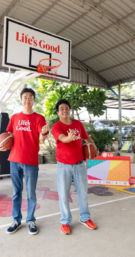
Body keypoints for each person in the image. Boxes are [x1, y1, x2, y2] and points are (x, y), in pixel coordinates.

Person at [0, 88, 49, 235]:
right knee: (16, 193)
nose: (28, 100)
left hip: (31, 160)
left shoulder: (39, 118)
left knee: (31, 193)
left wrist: (44, 133)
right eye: (25, 97)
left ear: (33, 100)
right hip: (14, 160)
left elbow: (42, 138)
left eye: (31, 97)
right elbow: (8, 136)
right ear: (21, 99)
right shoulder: (14, 117)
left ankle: (31, 220)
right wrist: (0, 144)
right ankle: (16, 220)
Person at [51, 99, 98, 235]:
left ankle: (85, 218)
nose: (64, 110)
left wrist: (94, 147)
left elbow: (87, 138)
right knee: (63, 196)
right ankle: (65, 222)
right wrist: (69, 137)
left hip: (79, 165)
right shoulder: (56, 126)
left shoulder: (78, 124)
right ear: (58, 112)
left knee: (83, 194)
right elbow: (62, 138)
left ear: (69, 110)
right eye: (61, 109)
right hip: (63, 167)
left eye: (66, 108)